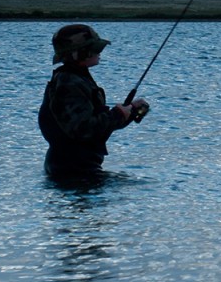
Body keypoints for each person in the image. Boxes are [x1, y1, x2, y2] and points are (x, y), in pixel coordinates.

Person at [38, 23, 150, 179]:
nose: (99, 52)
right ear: (80, 53)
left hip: (76, 167)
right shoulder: (69, 83)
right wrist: (118, 114)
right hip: (73, 170)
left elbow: (96, 126)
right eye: (96, 49)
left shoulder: (76, 79)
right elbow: (83, 129)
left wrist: (130, 111)